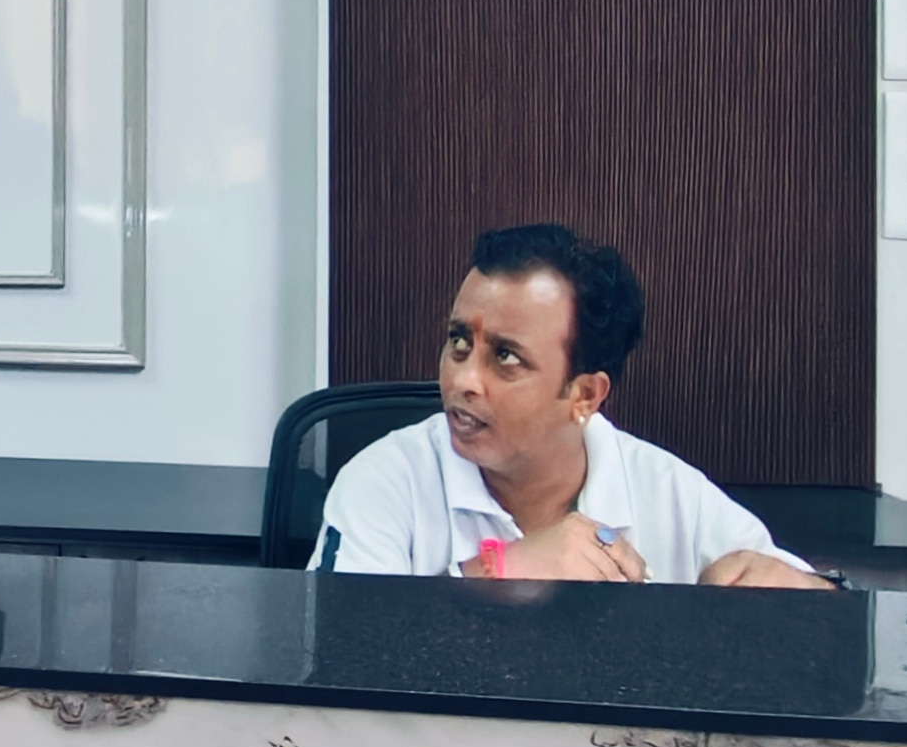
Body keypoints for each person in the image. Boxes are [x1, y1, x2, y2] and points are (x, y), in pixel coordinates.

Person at [310, 223, 828, 588]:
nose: (462, 379)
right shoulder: (384, 482)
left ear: (584, 396)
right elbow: (336, 656)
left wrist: (806, 597)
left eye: (505, 357)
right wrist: (499, 571)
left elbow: (830, 623)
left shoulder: (667, 491)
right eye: (458, 341)